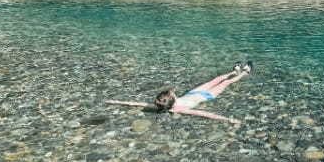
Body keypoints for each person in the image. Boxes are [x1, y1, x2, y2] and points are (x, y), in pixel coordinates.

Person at [106, 61, 253, 124]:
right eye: (171, 93)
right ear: (173, 99)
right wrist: (228, 120)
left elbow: (136, 103)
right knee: (226, 83)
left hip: (193, 92)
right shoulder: (181, 109)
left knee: (215, 79)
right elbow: (205, 114)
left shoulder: (161, 105)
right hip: (207, 96)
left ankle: (233, 71)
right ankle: (244, 73)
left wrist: (116, 102)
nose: (171, 91)